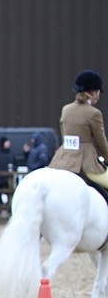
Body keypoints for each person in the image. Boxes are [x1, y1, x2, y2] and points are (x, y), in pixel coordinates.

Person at [48, 70, 108, 202]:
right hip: (85, 163)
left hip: (62, 160)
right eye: (98, 91)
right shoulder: (94, 113)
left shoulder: (66, 109)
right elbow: (101, 143)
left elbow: (65, 135)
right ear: (93, 92)